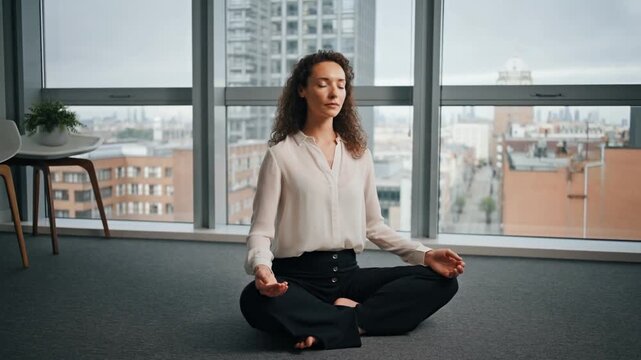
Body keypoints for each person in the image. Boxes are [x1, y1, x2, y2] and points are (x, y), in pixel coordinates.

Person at [239, 50, 465, 350]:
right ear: (302, 90)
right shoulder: (280, 155)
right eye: (323, 84)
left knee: (442, 281)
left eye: (341, 84)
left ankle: (334, 322)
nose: (335, 92)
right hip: (297, 278)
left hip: (348, 275)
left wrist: (424, 255)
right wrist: (263, 270)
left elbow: (374, 226)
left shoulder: (359, 155)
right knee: (254, 300)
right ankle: (355, 319)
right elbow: (261, 231)